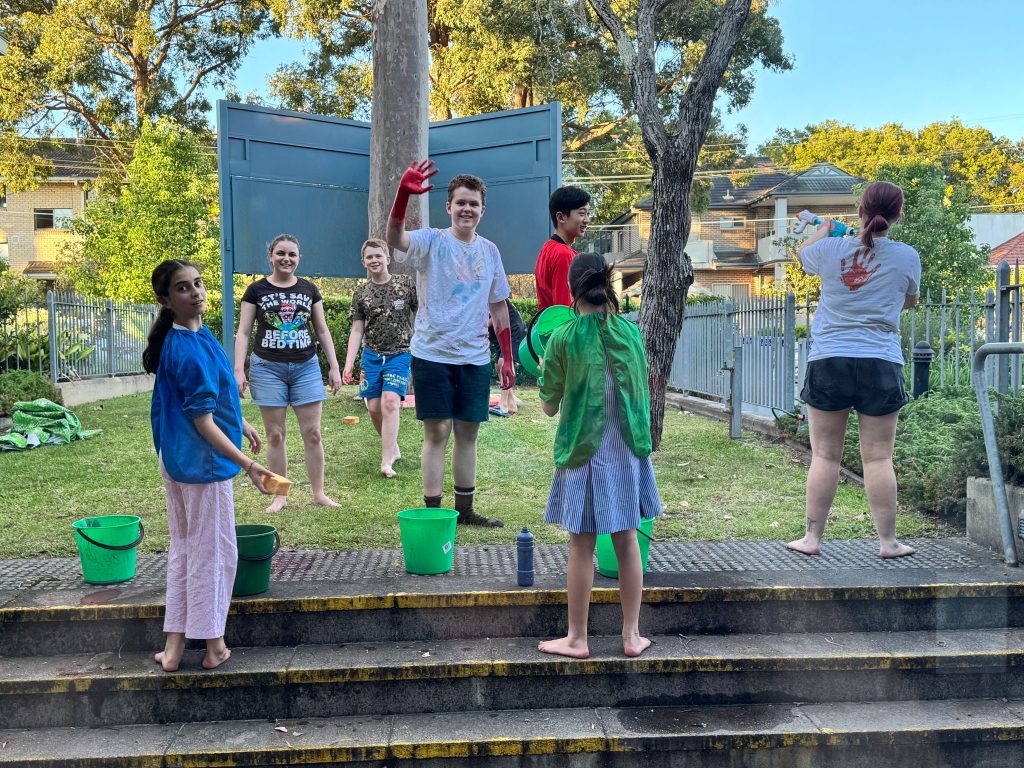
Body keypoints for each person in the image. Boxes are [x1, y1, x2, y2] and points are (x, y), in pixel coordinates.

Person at [143, 259, 272, 672]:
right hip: (201, 465)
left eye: (197, 283)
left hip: (179, 459)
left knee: (186, 549)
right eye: (183, 288)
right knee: (214, 554)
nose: (195, 292)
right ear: (165, 299)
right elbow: (202, 422)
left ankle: (174, 649)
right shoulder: (186, 349)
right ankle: (214, 645)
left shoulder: (192, 335)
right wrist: (248, 464)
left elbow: (213, 403)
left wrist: (241, 423)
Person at [537, 252, 663, 659]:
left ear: (571, 290)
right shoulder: (631, 333)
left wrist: (543, 368)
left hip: (582, 452)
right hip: (627, 451)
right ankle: (631, 636)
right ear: (607, 287)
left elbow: (549, 406)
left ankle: (577, 638)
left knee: (581, 544)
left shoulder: (562, 338)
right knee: (627, 539)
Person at [785, 181, 920, 559]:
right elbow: (910, 301)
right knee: (878, 458)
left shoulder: (831, 249)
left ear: (860, 210)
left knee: (825, 456)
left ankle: (812, 539)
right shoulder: (907, 256)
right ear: (898, 215)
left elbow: (802, 254)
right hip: (881, 361)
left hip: (830, 359)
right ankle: (888, 543)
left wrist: (826, 229)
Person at [386, 159, 515, 527]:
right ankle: (433, 513)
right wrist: (403, 195)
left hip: (475, 357)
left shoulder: (490, 251)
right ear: (448, 206)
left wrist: (506, 358)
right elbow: (395, 238)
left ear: (482, 210)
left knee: (468, 432)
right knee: (438, 431)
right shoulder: (431, 241)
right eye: (461, 202)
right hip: (432, 354)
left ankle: (465, 510)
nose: (467, 209)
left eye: (473, 203)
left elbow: (498, 307)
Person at [234, 234, 343, 513]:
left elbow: (322, 330)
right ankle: (280, 495)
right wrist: (239, 369)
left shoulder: (309, 289)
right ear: (270, 256)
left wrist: (334, 366)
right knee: (275, 435)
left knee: (313, 433)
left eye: (292, 254)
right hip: (267, 368)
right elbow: (244, 332)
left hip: (306, 367)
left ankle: (319, 493)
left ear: (299, 258)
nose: (286, 259)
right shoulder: (255, 290)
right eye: (281, 253)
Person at [342, 238, 418, 478]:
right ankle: (392, 447)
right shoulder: (361, 292)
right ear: (363, 261)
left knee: (390, 402)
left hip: (400, 354)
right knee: (374, 407)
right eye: (369, 257)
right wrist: (348, 363)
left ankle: (386, 461)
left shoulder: (405, 284)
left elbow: (422, 313)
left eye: (378, 255)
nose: (374, 260)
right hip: (372, 355)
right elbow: (357, 329)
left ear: (388, 258)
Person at [534, 186, 591, 310]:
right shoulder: (563, 254)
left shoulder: (547, 248)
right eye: (582, 213)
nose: (587, 220)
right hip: (563, 322)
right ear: (561, 217)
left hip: (547, 321)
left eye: (588, 214)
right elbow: (565, 309)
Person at [487, 298, 526, 415]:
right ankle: (511, 401)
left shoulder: (492, 293)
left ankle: (503, 404)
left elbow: (496, 315)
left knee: (503, 362)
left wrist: (479, 325)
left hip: (511, 330)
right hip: (498, 333)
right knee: (498, 365)